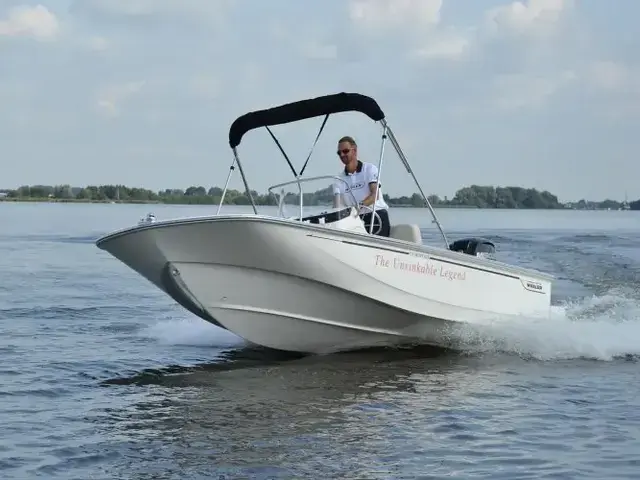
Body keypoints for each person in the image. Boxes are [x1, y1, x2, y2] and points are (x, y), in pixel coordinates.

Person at [332, 135, 391, 237]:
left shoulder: (369, 169)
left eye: (345, 151)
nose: (342, 155)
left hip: (376, 215)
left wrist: (358, 206)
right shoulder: (338, 179)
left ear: (354, 151)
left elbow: (374, 195)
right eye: (339, 153)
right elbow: (337, 206)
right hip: (355, 220)